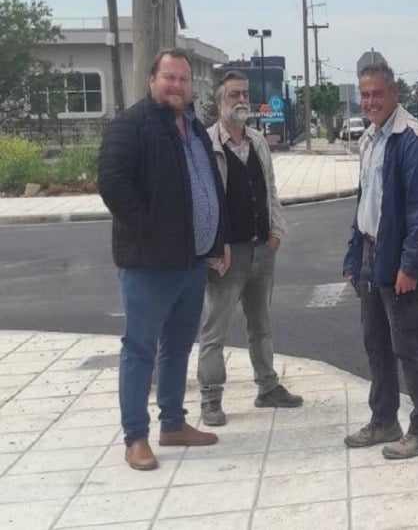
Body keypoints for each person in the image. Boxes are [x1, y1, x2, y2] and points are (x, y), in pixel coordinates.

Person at [97, 47, 226, 471]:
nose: (177, 85)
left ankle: (173, 423)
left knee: (178, 346)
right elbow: (112, 184)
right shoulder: (130, 126)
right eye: (169, 77)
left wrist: (218, 238)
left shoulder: (194, 127)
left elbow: (209, 184)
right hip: (148, 265)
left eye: (184, 80)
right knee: (140, 349)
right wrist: (151, 229)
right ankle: (135, 437)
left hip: (191, 262)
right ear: (152, 79)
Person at [342, 61, 418, 460]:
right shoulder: (370, 139)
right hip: (370, 253)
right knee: (377, 345)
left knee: (410, 348)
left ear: (394, 93)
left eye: (377, 94)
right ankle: (384, 420)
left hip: (398, 259)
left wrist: (410, 266)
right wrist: (354, 258)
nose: (370, 101)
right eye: (365, 94)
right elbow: (364, 202)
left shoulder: (412, 140)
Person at [197, 71, 302, 428]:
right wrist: (214, 249)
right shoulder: (207, 144)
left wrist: (277, 231)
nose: (241, 99)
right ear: (219, 102)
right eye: (234, 94)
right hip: (227, 256)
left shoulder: (257, 141)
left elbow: (270, 188)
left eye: (244, 93)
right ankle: (211, 398)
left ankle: (267, 386)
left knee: (261, 324)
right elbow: (202, 202)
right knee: (215, 329)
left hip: (262, 249)